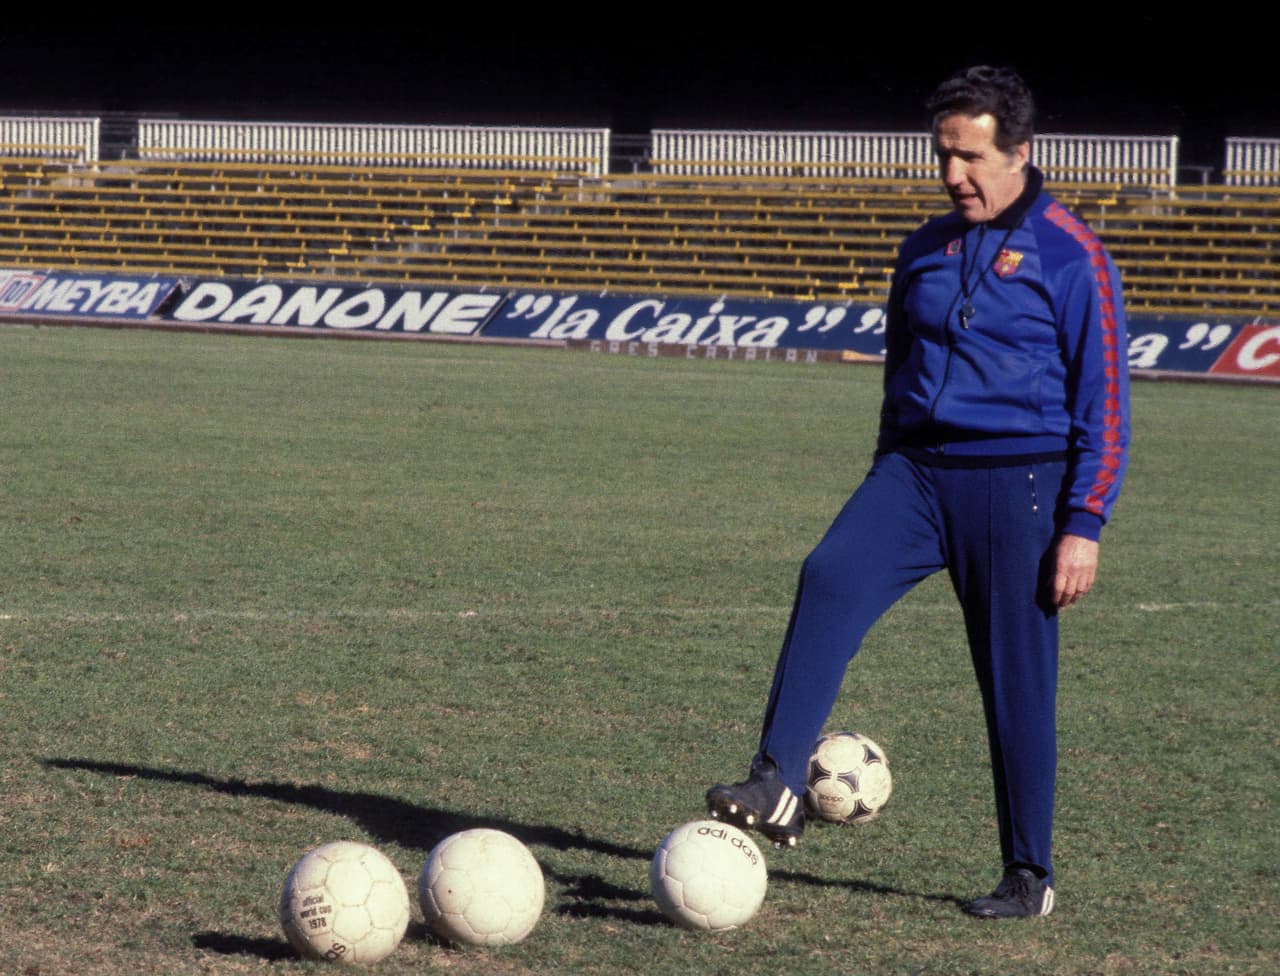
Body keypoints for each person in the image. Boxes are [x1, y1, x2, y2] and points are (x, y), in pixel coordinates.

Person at [705, 65, 1130, 920]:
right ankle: (778, 779)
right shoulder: (922, 249)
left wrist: (1084, 521)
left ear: (1020, 151)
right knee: (829, 574)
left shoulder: (1071, 253)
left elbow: (1106, 401)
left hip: (1022, 487)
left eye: (970, 156)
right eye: (944, 155)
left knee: (1014, 681)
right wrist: (884, 469)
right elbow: (901, 374)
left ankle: (1027, 875)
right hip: (914, 475)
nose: (952, 175)